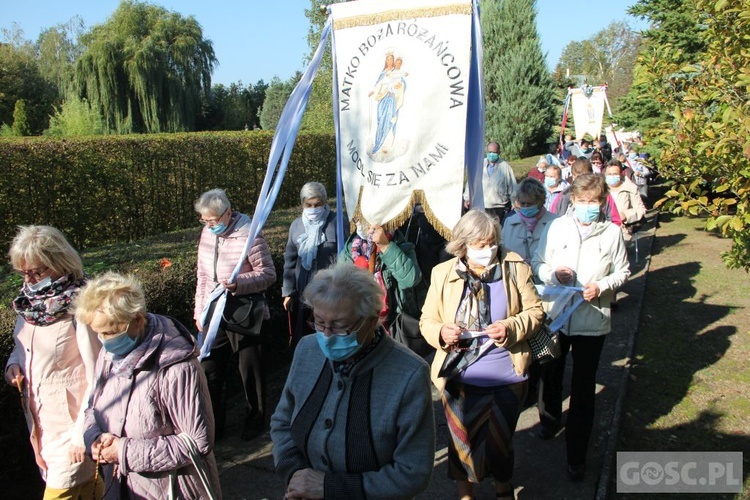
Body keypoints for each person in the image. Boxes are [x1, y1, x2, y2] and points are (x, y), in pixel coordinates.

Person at [271, 262, 434, 499]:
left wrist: (330, 488)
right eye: (318, 322)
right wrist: (296, 474)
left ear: (370, 319)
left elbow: (413, 472)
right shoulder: (307, 350)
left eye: (339, 326)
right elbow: (282, 421)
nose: (326, 335)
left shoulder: (409, 374)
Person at [420, 210, 545, 499]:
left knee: (500, 443)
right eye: (478, 244)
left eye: (491, 242)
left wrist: (510, 326)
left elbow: (536, 311)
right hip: (459, 377)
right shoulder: (443, 273)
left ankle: (503, 489)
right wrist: (441, 333)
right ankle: (466, 494)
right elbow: (427, 320)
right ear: (462, 245)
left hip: (507, 375)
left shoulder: (515, 266)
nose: (486, 250)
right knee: (461, 443)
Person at [78, 272, 221, 499]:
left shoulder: (177, 365)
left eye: (110, 332)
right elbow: (92, 408)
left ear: (137, 320)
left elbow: (198, 442)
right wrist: (93, 439)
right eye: (99, 334)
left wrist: (123, 452)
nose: (104, 342)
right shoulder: (108, 355)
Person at [532, 174, 630, 481]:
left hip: (592, 321)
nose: (587, 207)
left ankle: (577, 453)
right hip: (557, 317)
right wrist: (552, 273)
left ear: (602, 202)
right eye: (581, 201)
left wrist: (601, 286)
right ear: (572, 200)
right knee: (551, 373)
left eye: (593, 201)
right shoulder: (557, 226)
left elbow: (623, 271)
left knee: (584, 387)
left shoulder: (612, 233)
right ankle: (548, 420)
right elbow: (538, 262)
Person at [4, 225, 101, 499]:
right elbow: (20, 347)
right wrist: (13, 365)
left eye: (38, 271)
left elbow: (99, 375)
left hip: (73, 429)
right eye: (24, 272)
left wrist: (80, 433)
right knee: (92, 491)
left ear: (60, 262)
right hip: (41, 424)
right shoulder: (28, 305)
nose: (31, 279)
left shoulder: (81, 305)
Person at [194, 188, 276, 441]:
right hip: (213, 312)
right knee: (209, 368)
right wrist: (199, 312)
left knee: (250, 370)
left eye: (213, 220)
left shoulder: (250, 235)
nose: (209, 225)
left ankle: (255, 419)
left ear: (228, 212)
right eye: (204, 221)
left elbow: (268, 274)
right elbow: (203, 276)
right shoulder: (207, 234)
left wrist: (238, 282)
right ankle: (214, 424)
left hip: (244, 312)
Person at [282, 182, 348, 346]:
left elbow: (347, 255)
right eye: (308, 205)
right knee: (305, 338)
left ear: (325, 202)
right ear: (302, 204)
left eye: (318, 204)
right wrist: (288, 291)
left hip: (331, 293)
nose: (313, 208)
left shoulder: (338, 221)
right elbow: (289, 260)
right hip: (304, 292)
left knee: (330, 337)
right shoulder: (296, 225)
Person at [339, 221, 422, 335]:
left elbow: (411, 279)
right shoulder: (350, 250)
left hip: (393, 326)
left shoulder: (402, 246)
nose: (361, 222)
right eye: (358, 219)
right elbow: (339, 287)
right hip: (358, 324)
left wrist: (386, 246)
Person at [549, 158, 622, 227]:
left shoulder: (603, 193)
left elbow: (615, 221)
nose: (582, 184)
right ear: (573, 176)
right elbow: (553, 219)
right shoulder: (564, 195)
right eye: (578, 179)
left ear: (591, 175)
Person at [463, 141, 518, 223]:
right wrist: (467, 198)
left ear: (499, 152)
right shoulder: (479, 164)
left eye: (494, 152)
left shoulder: (505, 167)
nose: (492, 154)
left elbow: (513, 187)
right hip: (481, 205)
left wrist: (515, 203)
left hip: (499, 208)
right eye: (490, 152)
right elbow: (471, 182)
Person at [605, 160, 647, 244]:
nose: (612, 176)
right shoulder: (600, 188)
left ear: (621, 174)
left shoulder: (630, 188)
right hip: (603, 229)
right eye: (609, 174)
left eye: (615, 174)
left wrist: (626, 215)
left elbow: (641, 209)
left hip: (622, 230)